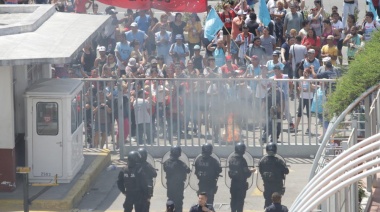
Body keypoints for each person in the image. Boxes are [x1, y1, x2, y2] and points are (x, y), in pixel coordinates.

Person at [259, 142, 289, 208]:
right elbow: (286, 171)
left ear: (266, 150)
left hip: (267, 186)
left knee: (267, 202)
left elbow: (260, 171)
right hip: (277, 186)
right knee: (277, 204)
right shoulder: (278, 161)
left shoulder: (262, 161)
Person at [163, 146, 191, 212]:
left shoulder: (166, 162)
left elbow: (165, 169)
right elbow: (188, 170)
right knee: (178, 202)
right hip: (179, 185)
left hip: (170, 185)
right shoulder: (181, 164)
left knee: (170, 199)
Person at [228, 142, 253, 212]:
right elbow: (246, 173)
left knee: (233, 199)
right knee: (240, 201)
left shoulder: (231, 159)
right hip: (241, 184)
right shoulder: (242, 160)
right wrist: (250, 171)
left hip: (233, 183)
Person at [137, 148, 157, 212]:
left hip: (137, 190)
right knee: (146, 207)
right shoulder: (147, 165)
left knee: (137, 207)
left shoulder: (134, 165)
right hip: (147, 190)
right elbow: (154, 174)